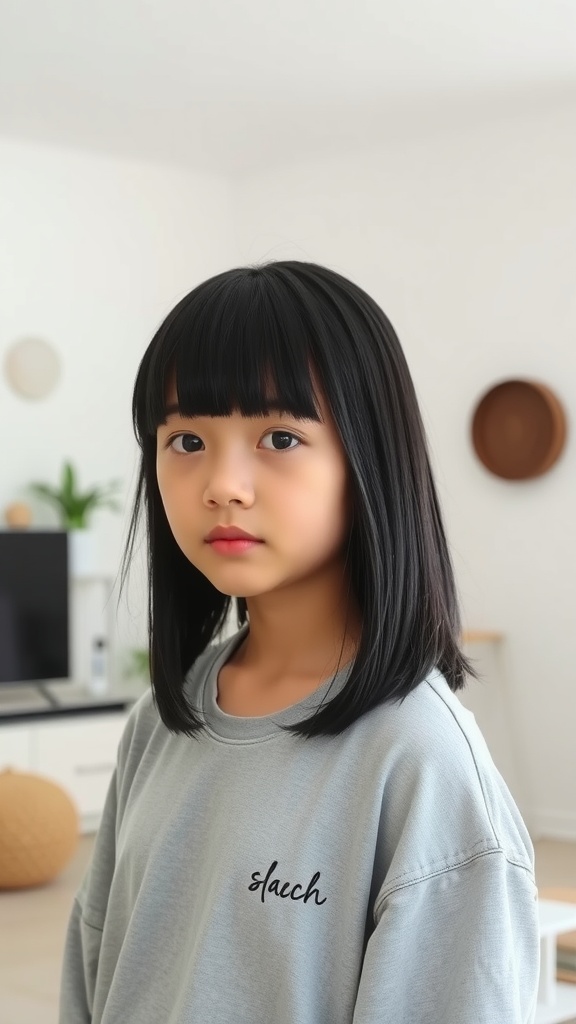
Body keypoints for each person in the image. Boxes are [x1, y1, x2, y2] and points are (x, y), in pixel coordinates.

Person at [59, 261, 540, 1024]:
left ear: (368, 460)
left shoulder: (420, 762)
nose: (223, 483)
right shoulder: (163, 718)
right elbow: (95, 970)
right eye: (186, 439)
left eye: (279, 436)